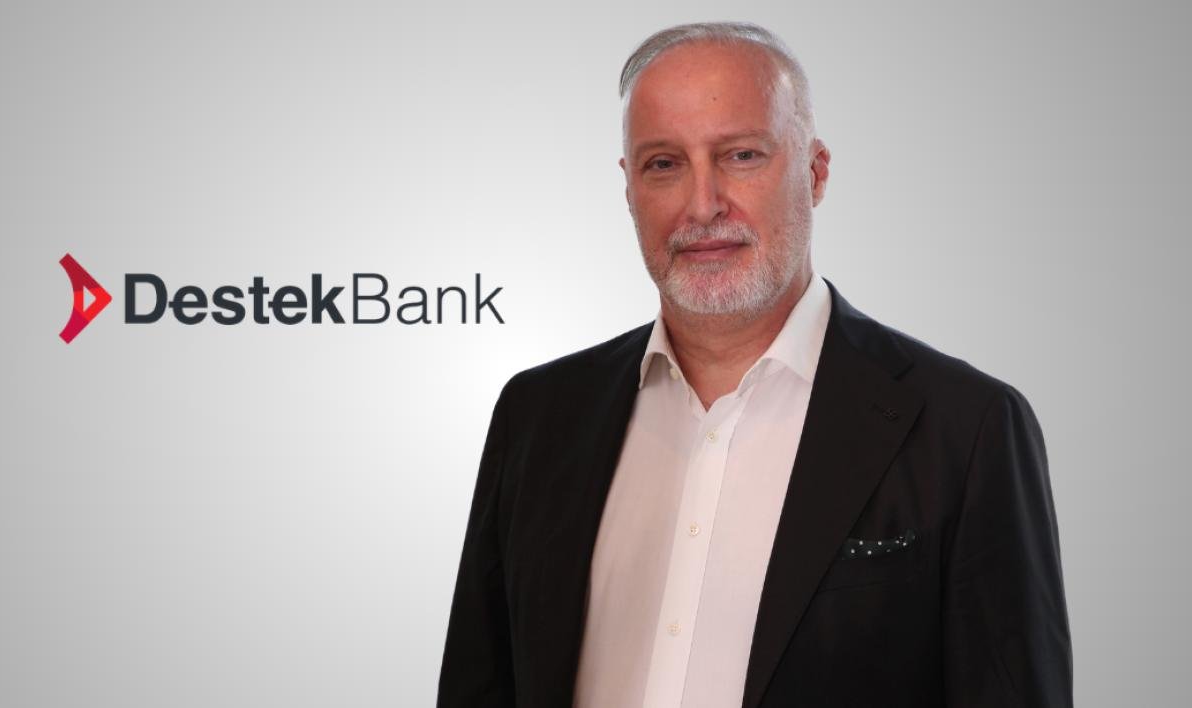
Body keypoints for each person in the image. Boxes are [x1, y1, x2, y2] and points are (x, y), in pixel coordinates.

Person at [437, 21, 1072, 708]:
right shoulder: (539, 416)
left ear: (815, 172)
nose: (702, 204)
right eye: (664, 164)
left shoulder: (966, 429)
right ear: (628, 188)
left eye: (741, 155)